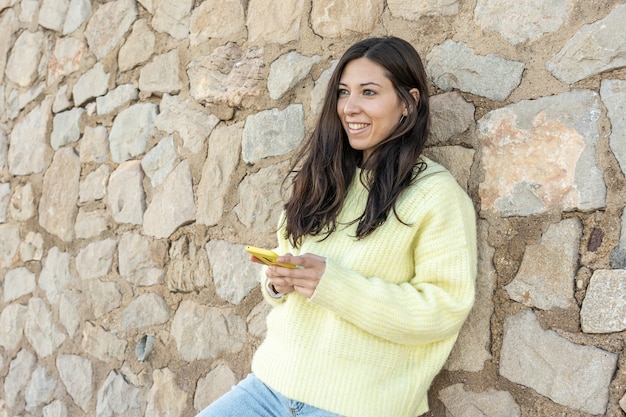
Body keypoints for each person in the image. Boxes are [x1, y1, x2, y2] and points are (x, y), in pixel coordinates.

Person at [197, 36, 477, 417]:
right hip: (269, 387)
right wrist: (278, 280)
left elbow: (444, 309)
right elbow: (287, 258)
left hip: (356, 405)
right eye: (344, 92)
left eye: (369, 92)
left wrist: (333, 284)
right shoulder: (323, 178)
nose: (350, 107)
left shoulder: (434, 194)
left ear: (408, 103)